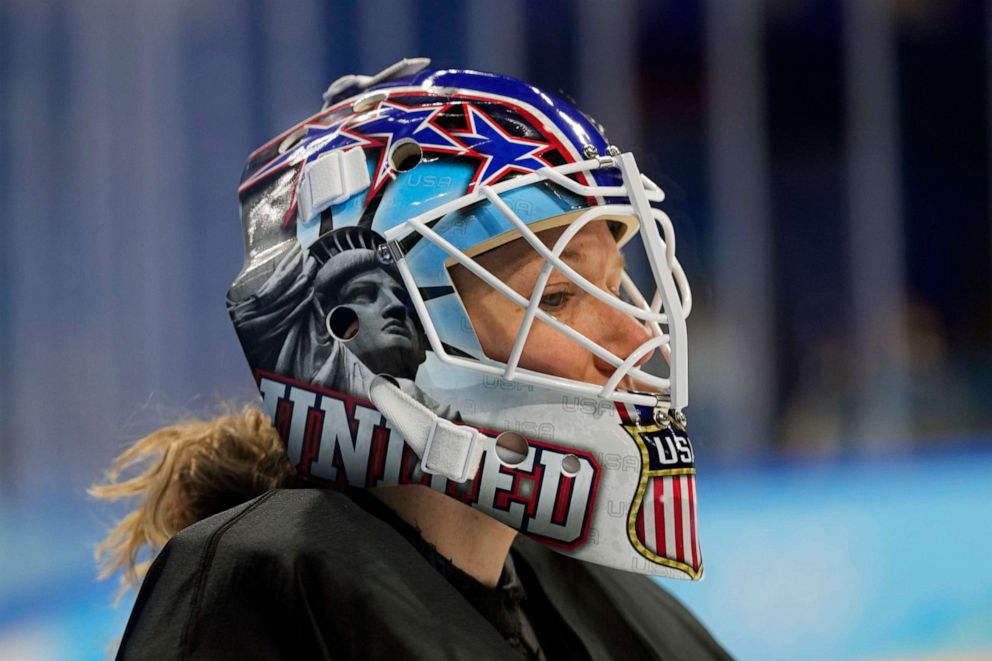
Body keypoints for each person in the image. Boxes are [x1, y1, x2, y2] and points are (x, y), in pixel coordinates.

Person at [94, 58, 730, 659]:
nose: (636, 341)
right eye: (559, 296)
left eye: (616, 283)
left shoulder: (602, 599)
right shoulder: (272, 595)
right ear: (359, 333)